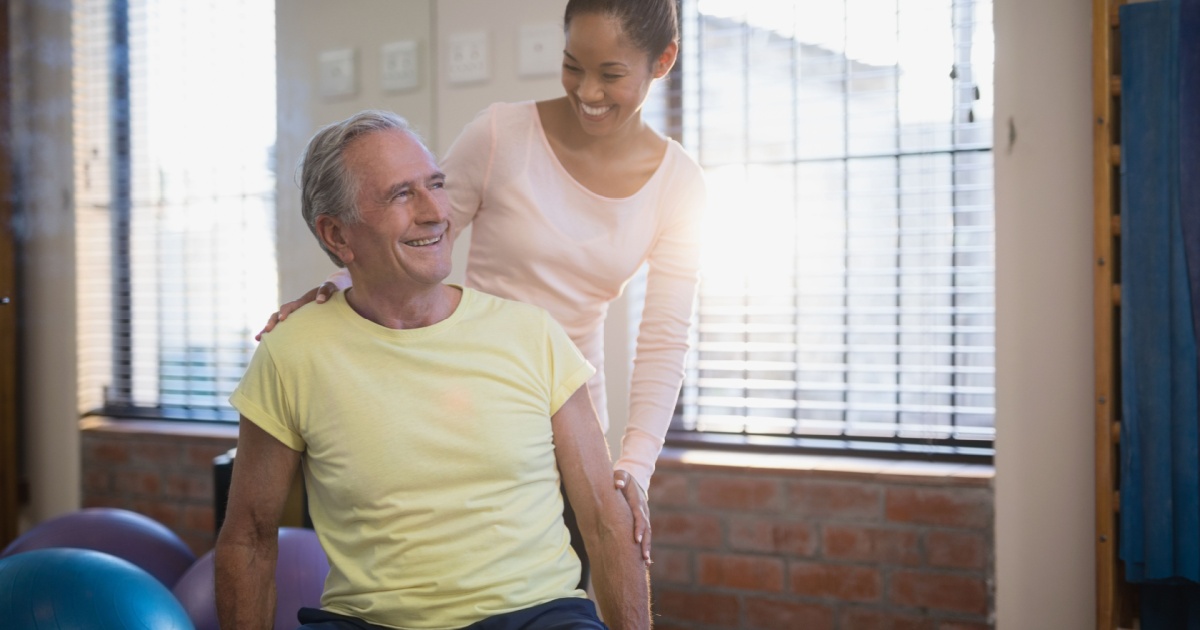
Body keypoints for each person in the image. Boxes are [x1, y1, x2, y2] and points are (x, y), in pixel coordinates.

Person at [260, 0, 705, 565]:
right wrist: (331, 285)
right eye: (573, 65)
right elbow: (418, 232)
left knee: (556, 596)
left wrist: (634, 468)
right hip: (466, 402)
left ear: (662, 61)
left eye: (611, 74)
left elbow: (664, 339)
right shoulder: (502, 132)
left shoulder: (679, 183)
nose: (587, 91)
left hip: (572, 420)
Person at [216, 110, 650, 630]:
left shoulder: (532, 335)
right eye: (401, 195)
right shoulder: (292, 353)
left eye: (436, 185)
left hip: (538, 617)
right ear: (337, 234)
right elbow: (250, 537)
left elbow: (605, 517)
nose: (435, 212)